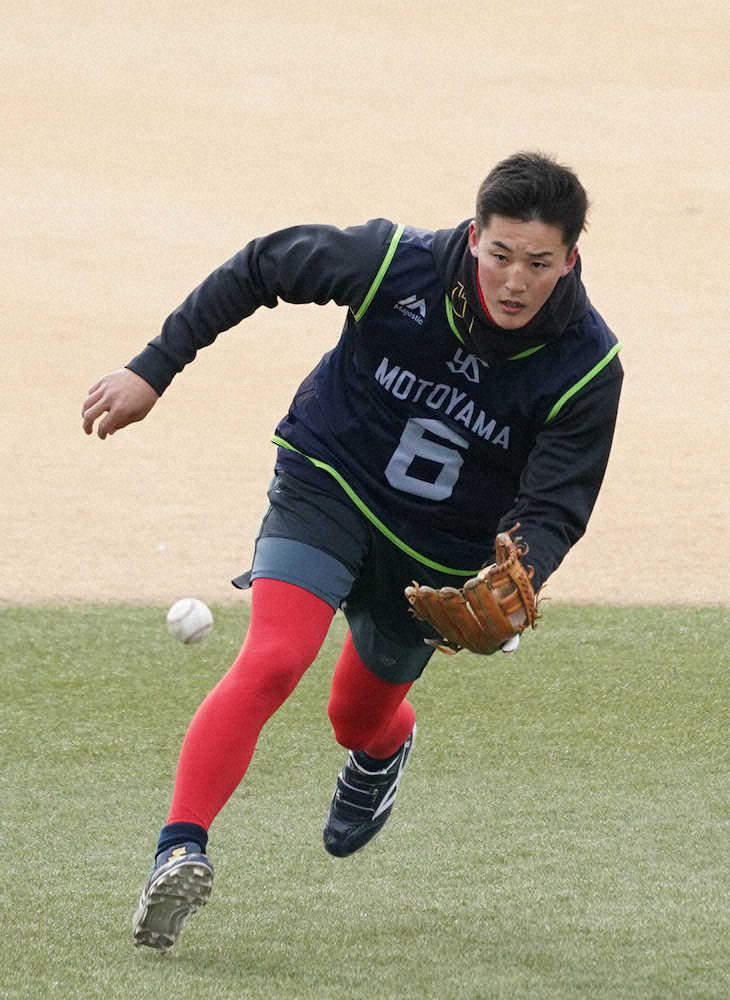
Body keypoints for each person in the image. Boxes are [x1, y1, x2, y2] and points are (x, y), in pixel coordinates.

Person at [81, 151, 623, 952]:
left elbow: (555, 505)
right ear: (475, 237)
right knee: (274, 657)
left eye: (538, 263)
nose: (514, 281)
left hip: (439, 553)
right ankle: (179, 849)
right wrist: (152, 368)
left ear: (570, 259)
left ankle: (384, 747)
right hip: (330, 481)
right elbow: (263, 264)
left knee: (354, 717)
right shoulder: (396, 264)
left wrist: (523, 572)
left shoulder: (587, 364)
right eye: (501, 254)